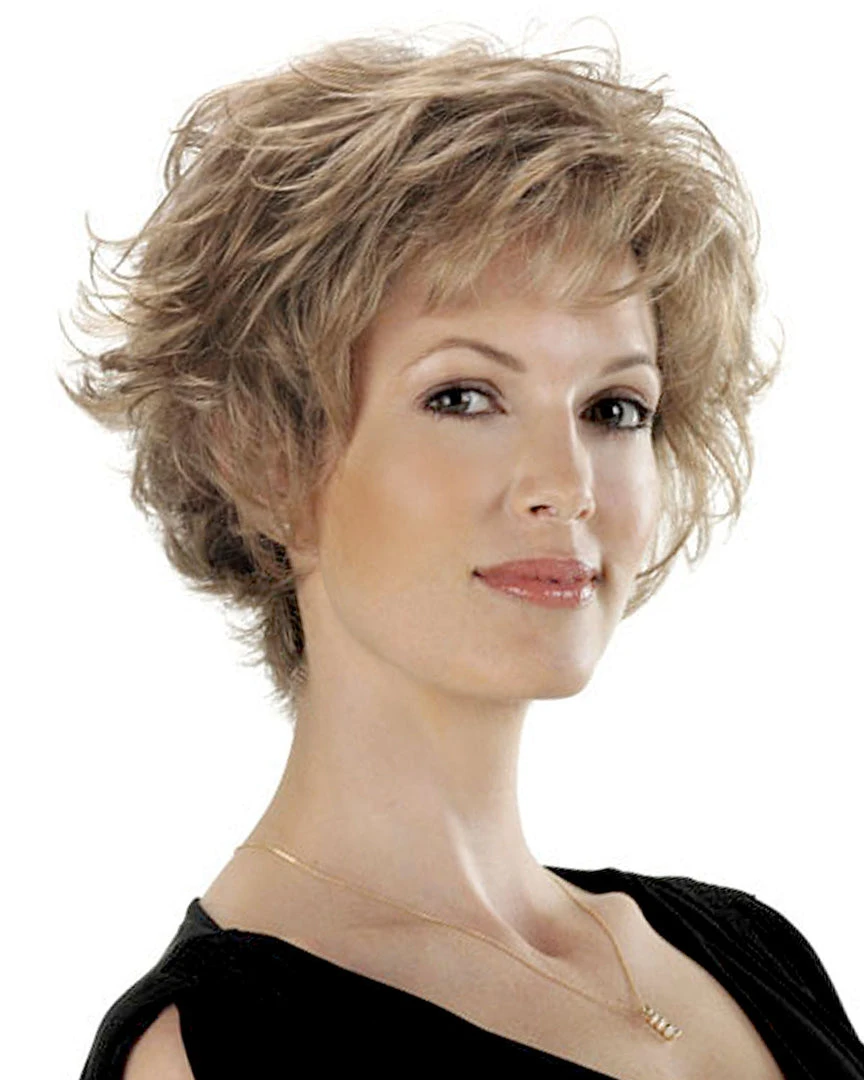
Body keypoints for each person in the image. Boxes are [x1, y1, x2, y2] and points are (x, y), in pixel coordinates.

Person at [63, 29, 863, 1080]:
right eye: (464, 396)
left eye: (614, 407)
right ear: (262, 452)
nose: (567, 483)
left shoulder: (752, 950)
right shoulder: (216, 1052)